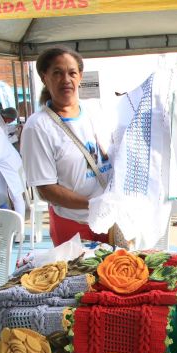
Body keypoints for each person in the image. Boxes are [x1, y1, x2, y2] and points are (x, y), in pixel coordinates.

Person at [21, 46, 113, 245]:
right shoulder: (38, 127)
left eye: (72, 73)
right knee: (79, 276)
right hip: (73, 224)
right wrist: (93, 205)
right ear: (44, 77)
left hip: (109, 221)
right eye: (57, 73)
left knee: (116, 274)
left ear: (80, 76)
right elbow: (46, 189)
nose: (66, 80)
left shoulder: (95, 111)